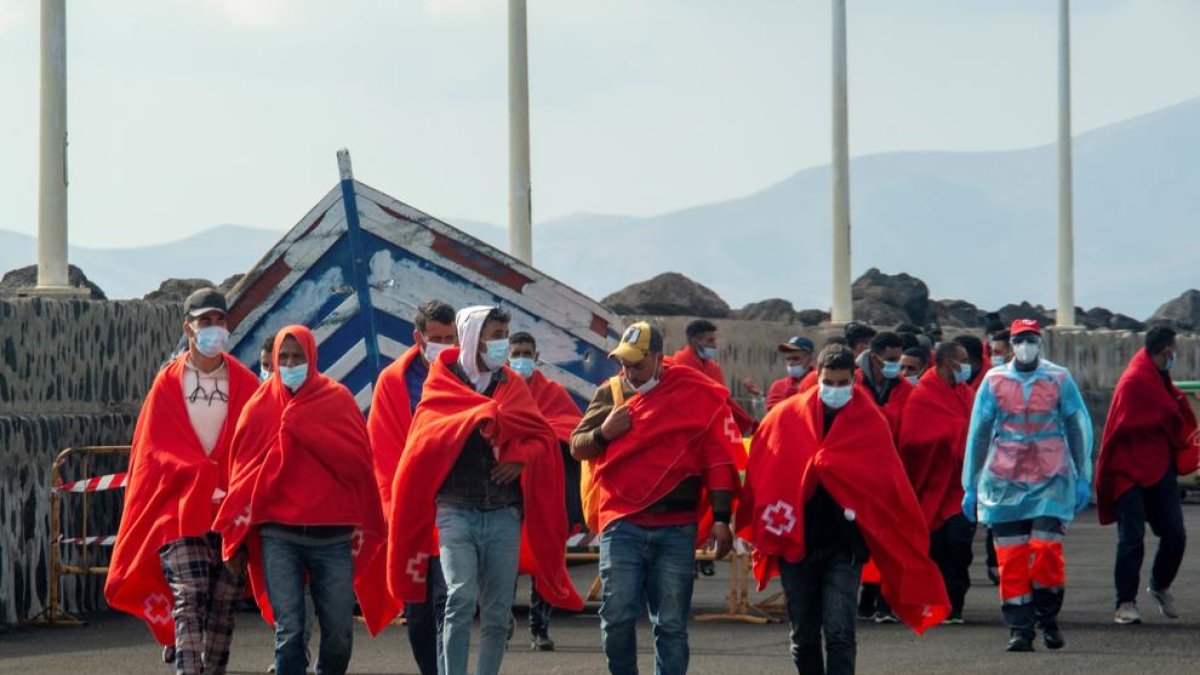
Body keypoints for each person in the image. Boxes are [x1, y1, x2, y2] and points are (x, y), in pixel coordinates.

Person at [387, 306, 582, 675]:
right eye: (494, 335)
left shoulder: (511, 384)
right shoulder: (442, 382)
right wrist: (477, 418)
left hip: (504, 514)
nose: (501, 344)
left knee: (496, 613)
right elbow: (425, 439)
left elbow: (540, 436)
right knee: (459, 598)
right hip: (454, 509)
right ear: (474, 336)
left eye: (504, 335)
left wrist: (520, 458)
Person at [739, 344, 949, 674]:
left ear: (853, 379)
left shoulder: (870, 423)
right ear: (817, 378)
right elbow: (765, 471)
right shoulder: (786, 418)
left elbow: (887, 481)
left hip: (845, 545)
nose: (834, 390)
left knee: (839, 631)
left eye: (841, 383)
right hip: (798, 543)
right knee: (804, 634)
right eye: (828, 382)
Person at [214, 325, 392, 675]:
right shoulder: (260, 406)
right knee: (290, 631)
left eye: (298, 357)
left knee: (340, 633)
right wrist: (235, 539)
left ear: (312, 357)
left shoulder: (337, 399)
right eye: (284, 357)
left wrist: (305, 429)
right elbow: (243, 475)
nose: (291, 363)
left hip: (333, 538)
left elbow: (358, 463)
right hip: (280, 537)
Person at [105, 288, 258, 675]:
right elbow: (151, 450)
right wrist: (196, 471)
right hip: (179, 511)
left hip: (228, 514)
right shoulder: (167, 385)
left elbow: (259, 441)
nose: (214, 329)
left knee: (223, 604)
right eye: (205, 321)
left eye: (220, 320)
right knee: (189, 597)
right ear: (187, 327)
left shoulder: (244, 383)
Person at [572, 321, 736, 675]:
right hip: (623, 523)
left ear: (659, 359)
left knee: (672, 624)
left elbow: (717, 459)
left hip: (676, 528)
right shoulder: (610, 392)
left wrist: (721, 518)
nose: (629, 372)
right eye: (624, 363)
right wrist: (604, 432)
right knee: (615, 618)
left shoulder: (694, 392)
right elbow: (577, 446)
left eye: (638, 364)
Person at [962, 319, 1093, 652]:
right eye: (1019, 340)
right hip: (1005, 478)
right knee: (1012, 557)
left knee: (1046, 550)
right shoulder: (994, 381)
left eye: (1030, 339)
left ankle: (1048, 617)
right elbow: (979, 431)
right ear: (1011, 343)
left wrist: (1082, 474)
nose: (1025, 345)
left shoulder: (1058, 378)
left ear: (1040, 341)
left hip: (1050, 476)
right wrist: (970, 484)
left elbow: (1077, 424)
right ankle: (1020, 627)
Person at [368, 300, 457, 675]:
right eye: (435, 339)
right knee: (418, 615)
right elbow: (382, 450)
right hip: (410, 513)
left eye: (450, 338)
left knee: (447, 603)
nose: (443, 345)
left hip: (455, 509)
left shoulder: (466, 373)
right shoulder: (394, 381)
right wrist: (393, 510)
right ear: (417, 337)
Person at [1096, 326, 1198, 624]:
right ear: (1167, 351)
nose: (1174, 356)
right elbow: (1126, 425)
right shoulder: (1135, 381)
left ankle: (1160, 584)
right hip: (1128, 471)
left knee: (1175, 535)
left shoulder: (1160, 378)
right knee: (1131, 538)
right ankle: (1125, 602)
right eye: (1173, 351)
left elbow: (1173, 412)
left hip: (1159, 468)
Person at [507, 331, 585, 651]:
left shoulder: (552, 392)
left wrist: (538, 437)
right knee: (504, 564)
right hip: (508, 491)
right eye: (517, 352)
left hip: (546, 494)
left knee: (545, 559)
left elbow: (574, 429)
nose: (522, 358)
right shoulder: (498, 389)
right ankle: (504, 624)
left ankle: (540, 629)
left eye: (527, 352)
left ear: (537, 356)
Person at [898, 342, 976, 624]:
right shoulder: (922, 396)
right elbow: (911, 439)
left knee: (959, 544)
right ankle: (934, 602)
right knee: (935, 546)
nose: (968, 366)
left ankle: (955, 603)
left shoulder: (967, 394)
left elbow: (978, 429)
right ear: (945, 363)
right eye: (962, 361)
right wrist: (954, 432)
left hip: (959, 486)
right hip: (930, 486)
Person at [853, 331, 914, 622]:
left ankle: (882, 601)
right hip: (856, 473)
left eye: (898, 360)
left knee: (887, 538)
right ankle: (867, 593)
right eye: (891, 360)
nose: (896, 367)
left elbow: (905, 423)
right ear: (874, 357)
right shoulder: (850, 380)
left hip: (891, 472)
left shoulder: (902, 388)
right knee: (859, 537)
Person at [670, 318, 757, 434]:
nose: (715, 346)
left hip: (713, 427)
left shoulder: (714, 368)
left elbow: (723, 401)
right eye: (710, 341)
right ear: (694, 341)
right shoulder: (676, 366)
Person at [766, 336, 815, 412]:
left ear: (809, 358)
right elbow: (772, 416)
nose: (791, 363)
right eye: (788, 359)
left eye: (796, 359)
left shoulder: (821, 383)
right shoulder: (778, 387)